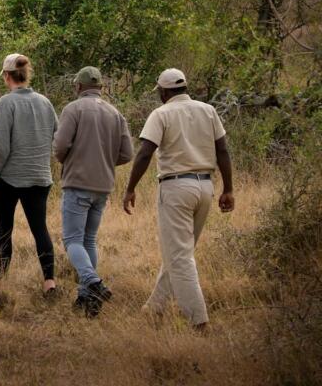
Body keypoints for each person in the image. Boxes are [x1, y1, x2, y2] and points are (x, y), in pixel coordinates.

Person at [123, 68, 235, 330]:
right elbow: (223, 150)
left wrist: (129, 188)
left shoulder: (161, 113)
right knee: (180, 252)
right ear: (184, 87)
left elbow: (144, 153)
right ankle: (155, 307)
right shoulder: (208, 110)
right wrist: (228, 188)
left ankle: (199, 321)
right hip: (206, 187)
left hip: (175, 188)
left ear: (163, 91)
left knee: (180, 256)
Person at [53, 66, 133, 317]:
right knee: (89, 240)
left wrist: (71, 160)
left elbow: (60, 147)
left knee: (72, 240)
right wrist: (105, 162)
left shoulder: (73, 109)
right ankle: (86, 297)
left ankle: (94, 283)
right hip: (103, 187)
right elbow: (127, 153)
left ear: (78, 86)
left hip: (78, 184)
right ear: (100, 88)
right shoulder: (115, 113)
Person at [0, 54, 59, 296]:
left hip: (9, 179)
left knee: (4, 229)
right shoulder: (45, 102)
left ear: (7, 76)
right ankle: (49, 282)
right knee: (40, 229)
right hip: (39, 177)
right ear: (26, 74)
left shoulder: (7, 102)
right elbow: (57, 136)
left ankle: (1, 283)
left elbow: (0, 146)